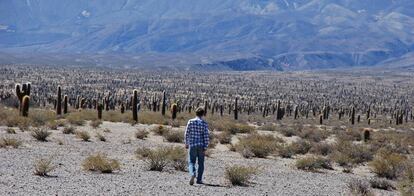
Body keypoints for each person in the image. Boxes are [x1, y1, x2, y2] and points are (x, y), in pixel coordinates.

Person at [185, 107, 209, 185]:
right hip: (201, 145)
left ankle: (192, 174)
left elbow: (187, 133)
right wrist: (205, 147)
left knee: (191, 162)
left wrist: (186, 143)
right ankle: (199, 180)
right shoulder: (204, 123)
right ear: (203, 114)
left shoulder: (190, 122)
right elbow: (206, 136)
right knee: (201, 163)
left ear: (196, 113)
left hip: (192, 145)